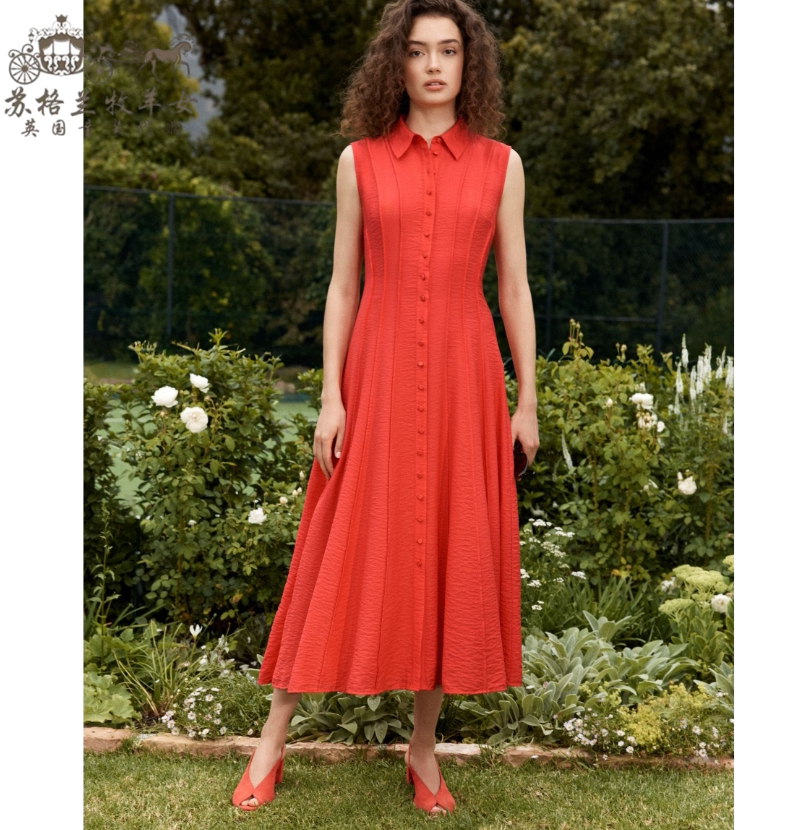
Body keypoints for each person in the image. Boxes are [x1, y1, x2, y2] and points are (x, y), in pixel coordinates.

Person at [231, 0, 539, 815]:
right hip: (375, 375)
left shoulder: (502, 165)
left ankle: (423, 751)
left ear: (469, 64)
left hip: (468, 380)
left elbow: (512, 289)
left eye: (449, 51)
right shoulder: (358, 161)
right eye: (417, 51)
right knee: (338, 540)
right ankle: (271, 742)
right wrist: (330, 395)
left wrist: (527, 402)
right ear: (394, 65)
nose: (433, 65)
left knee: (448, 548)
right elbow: (342, 286)